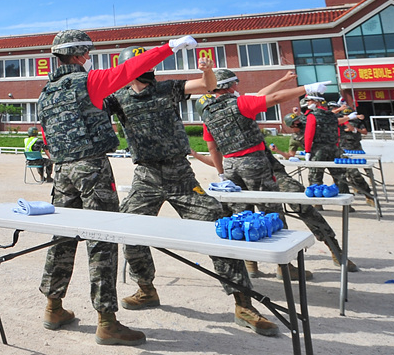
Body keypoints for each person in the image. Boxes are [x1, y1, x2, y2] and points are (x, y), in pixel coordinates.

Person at [34, 28, 197, 346]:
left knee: (62, 239)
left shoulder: (45, 94)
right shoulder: (88, 81)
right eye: (88, 54)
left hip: (63, 171)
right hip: (92, 168)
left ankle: (53, 307)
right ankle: (107, 322)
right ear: (81, 55)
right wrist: (169, 47)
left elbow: (47, 137)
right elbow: (130, 70)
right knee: (103, 241)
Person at [103, 51, 277, 337]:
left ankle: (243, 304)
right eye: (138, 65)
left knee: (218, 225)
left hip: (180, 175)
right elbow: (92, 102)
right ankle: (146, 288)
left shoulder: (166, 88)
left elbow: (205, 86)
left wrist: (208, 70)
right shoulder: (117, 98)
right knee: (129, 228)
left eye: (148, 65)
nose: (145, 70)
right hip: (146, 176)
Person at [198, 69, 355, 275]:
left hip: (232, 168)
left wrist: (281, 80)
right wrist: (305, 88)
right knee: (286, 208)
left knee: (242, 215)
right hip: (261, 165)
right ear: (230, 85)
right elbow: (271, 98)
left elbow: (213, 148)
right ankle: (304, 260)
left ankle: (251, 264)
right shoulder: (240, 104)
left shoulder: (210, 114)